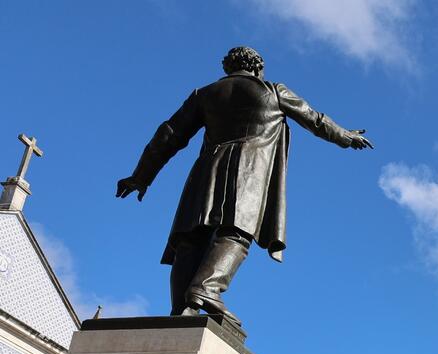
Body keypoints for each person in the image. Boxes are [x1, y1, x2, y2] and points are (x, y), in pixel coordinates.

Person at [117, 46, 372, 329]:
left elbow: (169, 135)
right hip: (248, 172)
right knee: (235, 234)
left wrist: (141, 176)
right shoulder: (273, 91)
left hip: (205, 171)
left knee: (191, 238)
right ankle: (207, 289)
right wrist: (346, 137)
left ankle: (182, 309)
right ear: (257, 67)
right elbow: (315, 120)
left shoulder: (205, 94)